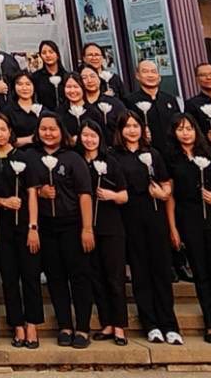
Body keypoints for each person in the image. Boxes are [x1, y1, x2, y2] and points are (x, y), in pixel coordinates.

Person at [165, 113, 211, 346]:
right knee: (201, 272)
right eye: (180, 129)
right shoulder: (173, 161)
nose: (185, 133)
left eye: (189, 128)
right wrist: (173, 227)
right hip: (189, 218)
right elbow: (171, 197)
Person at [112, 111, 181, 344]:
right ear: (120, 130)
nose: (132, 130)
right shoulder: (115, 156)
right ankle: (150, 323)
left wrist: (164, 193)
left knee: (161, 269)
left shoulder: (152, 154)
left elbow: (166, 184)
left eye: (136, 125)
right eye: (127, 126)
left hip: (155, 216)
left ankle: (169, 324)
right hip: (130, 216)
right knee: (140, 272)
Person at [33, 111, 95, 348]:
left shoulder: (72, 158)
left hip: (72, 224)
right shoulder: (33, 157)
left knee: (78, 276)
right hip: (47, 225)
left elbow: (84, 194)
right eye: (44, 129)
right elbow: (29, 189)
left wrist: (87, 228)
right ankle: (64, 325)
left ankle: (82, 327)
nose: (48, 133)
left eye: (53, 129)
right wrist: (40, 193)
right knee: (55, 277)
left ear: (61, 131)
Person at [0, 111, 44, 348]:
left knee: (30, 275)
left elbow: (32, 193)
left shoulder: (24, 157)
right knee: (9, 278)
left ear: (10, 131)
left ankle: (32, 324)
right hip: (1, 225)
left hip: (24, 224)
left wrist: (33, 226)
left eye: (3, 129)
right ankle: (17, 325)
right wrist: (3, 202)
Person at [77, 119, 129, 346]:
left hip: (111, 226)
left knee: (114, 277)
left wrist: (111, 195)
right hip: (85, 227)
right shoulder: (77, 161)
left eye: (93, 135)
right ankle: (106, 321)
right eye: (85, 135)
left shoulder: (110, 161)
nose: (89, 139)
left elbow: (125, 195)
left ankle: (119, 326)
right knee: (95, 276)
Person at [128, 58, 179, 157]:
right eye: (145, 71)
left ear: (159, 77)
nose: (150, 75)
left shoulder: (170, 99)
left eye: (153, 72)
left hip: (173, 152)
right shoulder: (130, 101)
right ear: (137, 76)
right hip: (146, 153)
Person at [79, 66, 126, 135]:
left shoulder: (115, 103)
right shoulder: (78, 105)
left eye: (92, 76)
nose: (89, 80)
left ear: (99, 79)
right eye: (84, 78)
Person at [6, 72, 43, 146]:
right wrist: (30, 139)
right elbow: (6, 140)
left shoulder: (42, 110)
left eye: (28, 84)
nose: (24, 88)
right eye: (20, 84)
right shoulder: (7, 111)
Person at [31, 40, 67, 111]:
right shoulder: (36, 77)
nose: (48, 55)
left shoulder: (66, 76)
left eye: (51, 52)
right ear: (40, 56)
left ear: (57, 55)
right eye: (44, 53)